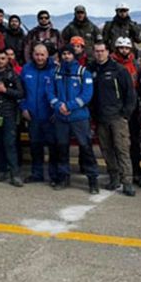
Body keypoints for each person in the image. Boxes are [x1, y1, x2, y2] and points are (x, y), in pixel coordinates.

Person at [48, 46, 99, 193]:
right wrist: (58, 105)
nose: (66, 56)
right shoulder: (55, 73)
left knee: (86, 148)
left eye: (69, 53)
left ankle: (92, 180)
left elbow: (87, 95)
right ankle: (63, 177)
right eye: (63, 54)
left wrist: (70, 105)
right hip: (60, 117)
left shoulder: (83, 73)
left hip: (79, 117)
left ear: (74, 55)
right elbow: (50, 92)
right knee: (62, 148)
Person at [88, 42, 136, 195]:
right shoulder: (91, 70)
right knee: (106, 149)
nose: (99, 54)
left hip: (117, 117)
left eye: (102, 51)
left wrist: (125, 114)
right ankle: (114, 177)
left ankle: (127, 181)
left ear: (108, 52)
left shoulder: (119, 70)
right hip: (100, 118)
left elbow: (130, 94)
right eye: (97, 51)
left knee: (122, 149)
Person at [0, 48, 26, 187]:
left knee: (9, 143)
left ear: (7, 60)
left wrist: (6, 90)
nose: (0, 61)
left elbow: (21, 93)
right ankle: (1, 170)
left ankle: (15, 174)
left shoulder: (13, 74)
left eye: (3, 58)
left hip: (10, 112)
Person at [21, 43, 57, 184]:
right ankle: (37, 174)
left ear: (47, 55)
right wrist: (23, 107)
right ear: (32, 55)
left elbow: (59, 91)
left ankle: (54, 176)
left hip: (50, 116)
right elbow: (21, 91)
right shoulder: (26, 69)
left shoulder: (54, 69)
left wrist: (56, 111)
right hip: (32, 115)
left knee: (53, 147)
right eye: (37, 54)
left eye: (42, 54)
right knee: (35, 146)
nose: (40, 57)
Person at [112, 36, 141, 183]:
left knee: (134, 141)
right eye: (121, 48)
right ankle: (118, 171)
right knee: (116, 142)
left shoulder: (136, 65)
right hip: (116, 107)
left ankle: (136, 170)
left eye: (126, 48)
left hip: (133, 108)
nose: (124, 51)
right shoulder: (111, 64)